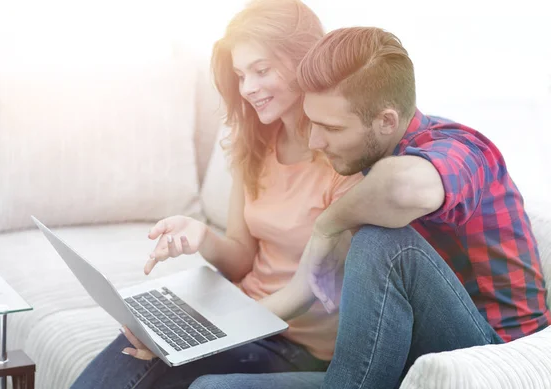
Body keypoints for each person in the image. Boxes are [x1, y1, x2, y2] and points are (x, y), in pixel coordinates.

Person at [189, 26, 551, 389]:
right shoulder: (364, 177)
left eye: (330, 127)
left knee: (382, 243)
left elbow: (402, 187)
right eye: (312, 121)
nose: (315, 140)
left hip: (492, 356)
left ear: (387, 121)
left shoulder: (464, 150)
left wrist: (328, 223)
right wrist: (200, 333)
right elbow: (303, 292)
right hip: (399, 363)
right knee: (209, 387)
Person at [70, 2, 363, 388]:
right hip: (243, 312)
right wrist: (202, 237)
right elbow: (242, 259)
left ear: (305, 60)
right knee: (137, 344)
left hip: (300, 347)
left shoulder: (343, 160)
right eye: (242, 75)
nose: (248, 88)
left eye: (262, 71)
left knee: (160, 361)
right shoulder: (255, 142)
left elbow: (311, 290)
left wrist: (214, 329)